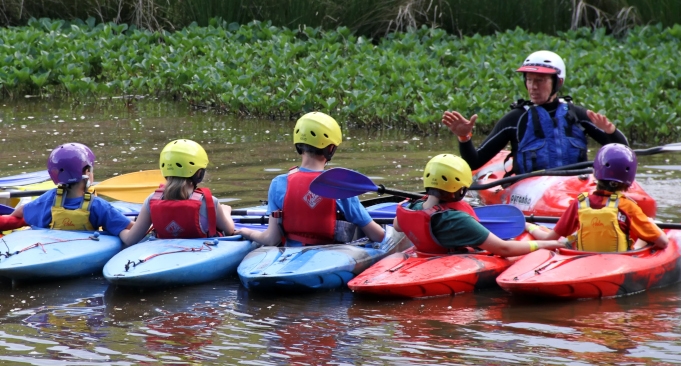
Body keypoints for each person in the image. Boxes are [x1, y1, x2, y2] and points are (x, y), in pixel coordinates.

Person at [442, 50, 629, 175]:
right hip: (531, 188)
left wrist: (611, 132)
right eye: (529, 80)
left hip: (574, 186)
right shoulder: (514, 119)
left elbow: (624, 153)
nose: (533, 87)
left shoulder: (578, 116)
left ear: (558, 82)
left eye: (540, 81)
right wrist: (464, 137)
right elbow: (474, 163)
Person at [235, 112, 385, 246]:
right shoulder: (340, 186)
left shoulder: (278, 184)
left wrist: (246, 232)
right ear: (331, 148)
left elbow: (271, 239)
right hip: (330, 259)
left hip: (288, 260)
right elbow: (377, 236)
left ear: (298, 146)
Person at [393, 153, 563, 255]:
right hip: (449, 261)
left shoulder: (412, 207)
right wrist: (551, 244)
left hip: (426, 254)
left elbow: (398, 225)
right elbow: (504, 249)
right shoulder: (457, 220)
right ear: (458, 188)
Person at [525, 144, 669, 252]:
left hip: (583, 258)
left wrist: (528, 226)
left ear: (595, 174)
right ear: (630, 179)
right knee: (647, 230)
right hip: (619, 261)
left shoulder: (579, 203)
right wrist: (649, 229)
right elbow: (663, 242)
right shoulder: (628, 207)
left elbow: (548, 240)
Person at [10, 142, 134, 241]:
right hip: (85, 250)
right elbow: (129, 227)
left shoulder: (50, 198)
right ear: (86, 173)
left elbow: (20, 212)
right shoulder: (98, 205)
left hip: (52, 246)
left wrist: (10, 221)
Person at [121, 139, 235, 246]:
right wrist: (226, 211)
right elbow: (229, 231)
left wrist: (117, 228)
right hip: (202, 251)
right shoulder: (209, 201)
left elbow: (130, 240)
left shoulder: (152, 200)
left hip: (162, 254)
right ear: (199, 173)